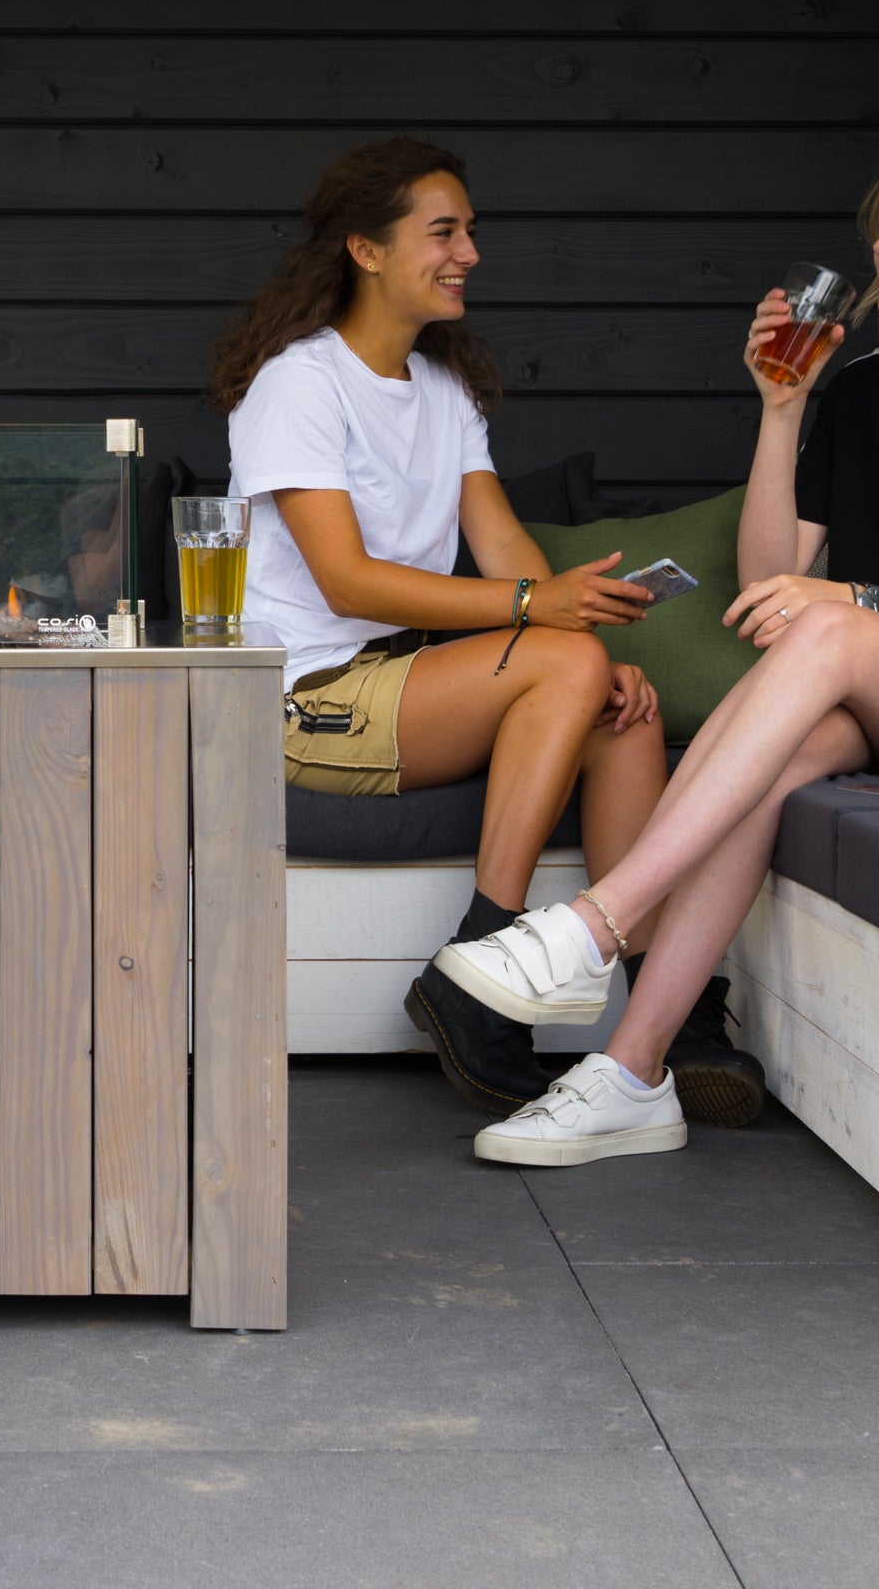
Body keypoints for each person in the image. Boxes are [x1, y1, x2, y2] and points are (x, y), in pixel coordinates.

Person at [432, 135, 879, 1166]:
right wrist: (780, 407)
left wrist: (854, 598)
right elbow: (766, 579)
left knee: (833, 628)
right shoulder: (855, 394)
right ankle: (631, 1070)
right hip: (861, 696)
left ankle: (595, 923)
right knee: (781, 749)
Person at [211, 135, 688, 1119]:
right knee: (562, 664)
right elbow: (344, 578)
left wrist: (589, 641)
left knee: (622, 712)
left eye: (470, 230)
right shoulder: (297, 382)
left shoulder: (444, 386)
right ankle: (477, 969)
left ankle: (666, 1014)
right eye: (442, 230)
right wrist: (536, 615)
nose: (468, 250)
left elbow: (503, 543)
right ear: (366, 249)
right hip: (305, 697)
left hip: (407, 679)